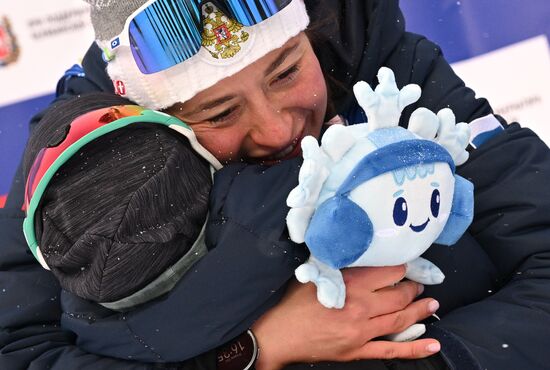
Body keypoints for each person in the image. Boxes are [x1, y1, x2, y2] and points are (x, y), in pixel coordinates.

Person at [1, 0, 550, 369]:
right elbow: (21, 351)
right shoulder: (80, 168)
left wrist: (436, 355)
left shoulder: (377, 58)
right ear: (153, 122)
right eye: (218, 113)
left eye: (287, 72)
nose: (277, 128)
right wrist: (255, 350)